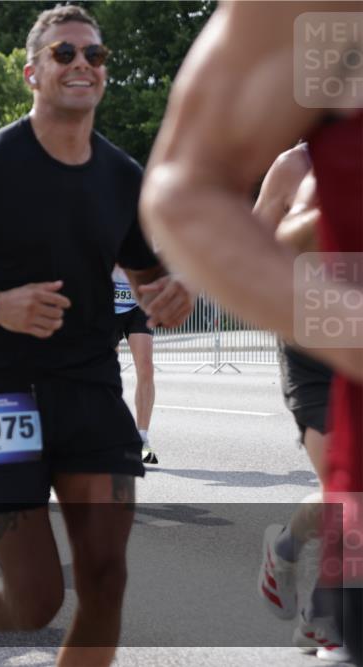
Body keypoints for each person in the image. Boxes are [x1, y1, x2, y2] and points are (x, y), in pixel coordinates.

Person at [0, 6, 194, 666]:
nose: (83, 63)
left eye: (95, 55)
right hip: (1, 394)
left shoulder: (122, 176)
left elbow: (148, 277)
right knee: (34, 600)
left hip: (89, 388)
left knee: (107, 579)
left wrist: (171, 290)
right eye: (65, 54)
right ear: (33, 72)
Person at [139, 2, 361, 663]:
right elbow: (236, 225)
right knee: (334, 476)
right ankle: (324, 606)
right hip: (321, 324)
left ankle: (295, 557)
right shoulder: (293, 165)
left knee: (332, 496)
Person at [252, 144, 347, 662]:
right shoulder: (295, 164)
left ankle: (289, 553)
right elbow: (249, 251)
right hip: (310, 347)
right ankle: (330, 621)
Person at [111, 264, 158, 463]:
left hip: (138, 304)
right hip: (106, 304)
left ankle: (142, 439)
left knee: (146, 368)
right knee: (107, 373)